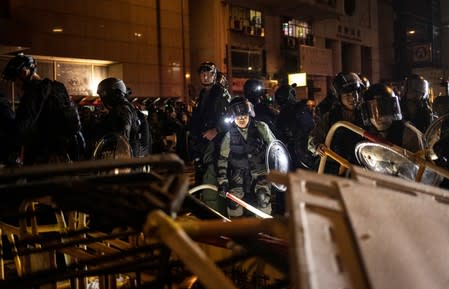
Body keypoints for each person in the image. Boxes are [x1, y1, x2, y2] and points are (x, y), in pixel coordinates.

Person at [2, 53, 84, 165]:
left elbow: (21, 130)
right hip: (63, 156)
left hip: (41, 159)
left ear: (24, 72)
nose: (16, 85)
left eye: (15, 79)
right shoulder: (57, 87)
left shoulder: (31, 95)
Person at [217, 96, 277, 217]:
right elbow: (222, 159)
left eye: (244, 116)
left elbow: (275, 149)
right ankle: (236, 230)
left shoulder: (261, 127)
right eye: (238, 117)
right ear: (233, 118)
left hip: (260, 172)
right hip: (238, 175)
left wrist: (276, 172)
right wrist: (223, 182)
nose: (242, 119)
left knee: (263, 197)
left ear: (249, 114)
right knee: (233, 202)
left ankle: (265, 227)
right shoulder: (229, 135)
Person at [188, 62, 230, 213]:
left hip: (217, 144)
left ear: (214, 75)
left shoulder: (221, 93)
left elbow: (230, 117)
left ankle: (216, 214)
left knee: (213, 178)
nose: (205, 76)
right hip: (202, 143)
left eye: (208, 73)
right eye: (202, 73)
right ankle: (207, 210)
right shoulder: (202, 94)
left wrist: (217, 130)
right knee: (202, 177)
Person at [308, 72, 367, 175]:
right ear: (339, 97)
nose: (353, 98)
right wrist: (318, 146)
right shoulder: (330, 117)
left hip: (358, 168)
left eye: (355, 93)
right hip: (333, 168)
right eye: (348, 95)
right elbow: (313, 138)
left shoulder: (365, 115)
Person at [96, 77, 150, 158]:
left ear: (114, 94)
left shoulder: (122, 110)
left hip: (125, 160)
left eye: (103, 95)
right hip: (134, 157)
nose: (102, 99)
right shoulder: (129, 108)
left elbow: (122, 138)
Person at [362, 82, 424, 152]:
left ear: (393, 110)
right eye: (372, 112)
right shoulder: (365, 134)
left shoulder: (409, 135)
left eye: (384, 111)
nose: (379, 118)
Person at [275, 83, 317, 170]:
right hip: (292, 154)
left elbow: (310, 130)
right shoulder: (296, 110)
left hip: (302, 154)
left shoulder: (298, 110)